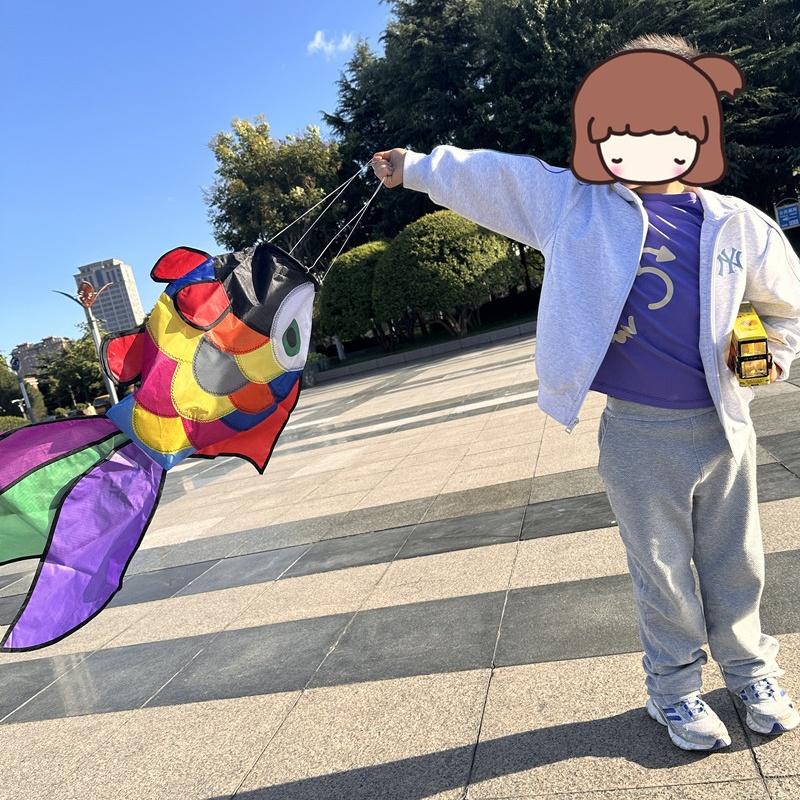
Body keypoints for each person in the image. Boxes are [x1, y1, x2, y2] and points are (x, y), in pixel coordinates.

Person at [371, 32, 800, 752]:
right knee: (661, 568)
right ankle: (673, 689)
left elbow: (787, 308)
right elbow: (500, 178)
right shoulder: (576, 204)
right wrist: (416, 167)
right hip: (637, 430)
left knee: (737, 559)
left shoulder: (737, 222)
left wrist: (773, 358)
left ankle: (751, 672)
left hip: (724, 422)